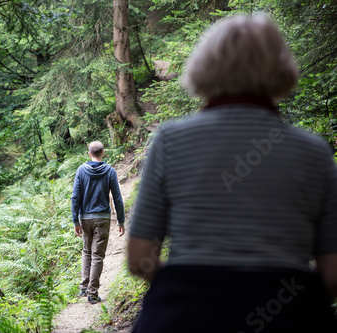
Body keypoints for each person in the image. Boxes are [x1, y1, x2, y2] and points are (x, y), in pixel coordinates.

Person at [128, 14, 337, 332]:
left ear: (204, 66)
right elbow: (333, 274)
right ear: (280, 68)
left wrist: (188, 282)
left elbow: (139, 257)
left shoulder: (170, 140)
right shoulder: (314, 151)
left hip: (184, 316)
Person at [72, 141, 125, 304]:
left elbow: (75, 197)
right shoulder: (109, 171)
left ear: (89, 154)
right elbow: (117, 198)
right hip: (102, 218)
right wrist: (121, 221)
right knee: (97, 255)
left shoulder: (81, 170)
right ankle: (92, 293)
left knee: (86, 251)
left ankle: (84, 287)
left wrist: (76, 221)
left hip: (85, 217)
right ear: (103, 153)